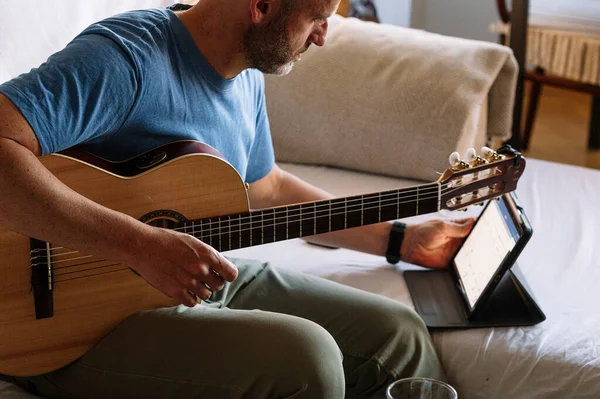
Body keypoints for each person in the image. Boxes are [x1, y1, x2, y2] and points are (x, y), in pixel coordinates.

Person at [0, 0, 475, 397]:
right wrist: (138, 245)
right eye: (315, 18)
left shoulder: (245, 71)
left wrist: (402, 240)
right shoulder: (127, 58)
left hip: (193, 279)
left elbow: (265, 188)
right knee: (306, 358)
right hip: (59, 327)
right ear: (261, 6)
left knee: (399, 335)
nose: (323, 37)